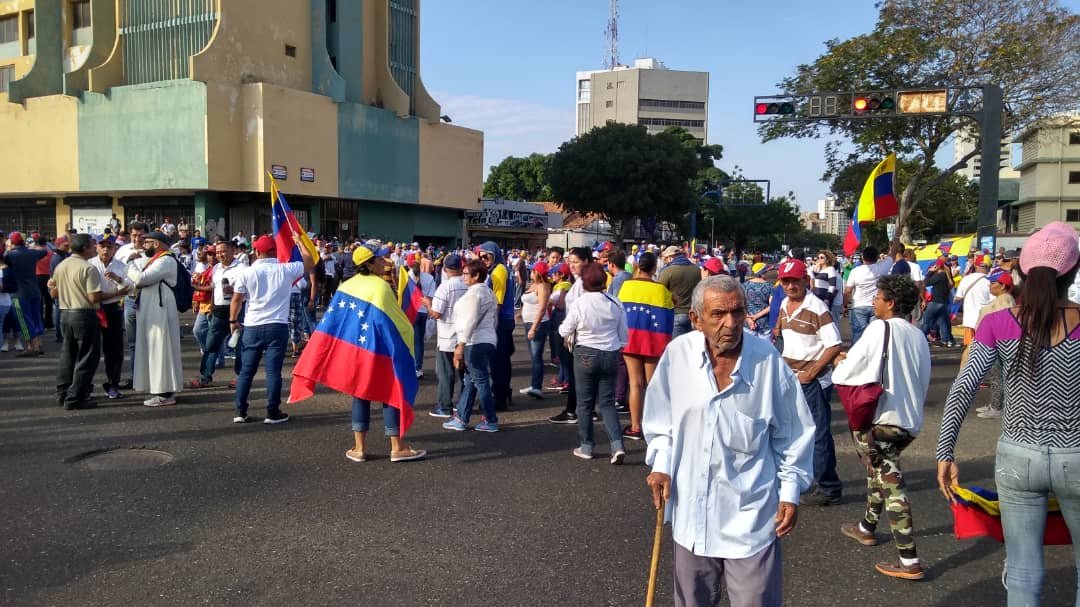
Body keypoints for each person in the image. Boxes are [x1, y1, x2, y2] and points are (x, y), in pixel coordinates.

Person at [644, 275, 816, 607]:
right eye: (718, 314)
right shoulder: (677, 355)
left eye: (738, 312)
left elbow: (794, 435)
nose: (731, 323)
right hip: (690, 519)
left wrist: (790, 492)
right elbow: (661, 421)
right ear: (695, 319)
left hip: (751, 521)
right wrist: (661, 466)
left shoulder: (767, 361)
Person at [937, 222, 1080, 606]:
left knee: (1021, 568)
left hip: (1018, 456)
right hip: (1077, 454)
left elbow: (964, 387)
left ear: (1022, 272)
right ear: (1073, 272)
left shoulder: (998, 322)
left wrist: (945, 451)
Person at [833, 275, 930, 580]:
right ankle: (866, 527)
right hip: (909, 422)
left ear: (890, 303)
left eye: (877, 297)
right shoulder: (918, 335)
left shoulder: (880, 328)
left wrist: (840, 362)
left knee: (891, 481)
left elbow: (851, 370)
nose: (873, 301)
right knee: (880, 469)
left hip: (882, 418)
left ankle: (909, 560)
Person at [343, 241, 427, 463]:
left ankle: (359, 448)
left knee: (360, 395)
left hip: (358, 351)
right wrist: (409, 342)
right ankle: (397, 448)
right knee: (390, 394)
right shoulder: (381, 287)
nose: (385, 262)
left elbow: (339, 322)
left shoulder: (346, 286)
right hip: (382, 353)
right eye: (380, 259)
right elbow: (397, 323)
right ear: (369, 265)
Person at [776, 259, 844, 506]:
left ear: (806, 280)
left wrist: (812, 372)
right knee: (793, 432)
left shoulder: (817, 308)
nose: (791, 285)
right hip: (791, 378)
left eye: (795, 280)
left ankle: (828, 486)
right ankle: (807, 480)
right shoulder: (785, 303)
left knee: (818, 434)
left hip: (812, 382)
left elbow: (834, 344)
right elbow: (782, 333)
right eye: (786, 281)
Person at [229, 234, 314, 424]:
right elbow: (309, 261)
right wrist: (299, 241)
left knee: (246, 372)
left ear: (257, 251)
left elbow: (237, 299)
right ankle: (272, 411)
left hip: (252, 325)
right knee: (273, 372)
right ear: (276, 251)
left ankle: (240, 411)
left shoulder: (247, 272)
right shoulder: (286, 269)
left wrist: (233, 320)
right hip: (277, 325)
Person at [560, 262, 628, 463]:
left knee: (585, 403)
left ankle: (587, 446)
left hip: (585, 353)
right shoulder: (615, 302)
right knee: (607, 403)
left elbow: (564, 329)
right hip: (610, 353)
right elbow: (624, 336)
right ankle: (617, 445)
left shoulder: (580, 303)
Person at [615, 251, 672, 443]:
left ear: (638, 266)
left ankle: (635, 426)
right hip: (653, 341)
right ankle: (657, 426)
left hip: (630, 339)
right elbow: (667, 316)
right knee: (653, 385)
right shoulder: (661, 290)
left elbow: (621, 312)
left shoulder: (626, 286)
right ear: (655, 268)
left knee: (635, 384)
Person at [48, 234, 107, 411]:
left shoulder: (61, 265)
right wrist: (119, 292)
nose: (94, 248)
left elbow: (54, 293)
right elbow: (93, 297)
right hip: (84, 314)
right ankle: (76, 395)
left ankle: (63, 391)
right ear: (85, 248)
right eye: (92, 246)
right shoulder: (88, 268)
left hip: (65, 313)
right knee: (88, 357)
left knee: (68, 355)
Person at [126, 231, 184, 406]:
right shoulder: (158, 260)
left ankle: (164, 393)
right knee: (155, 347)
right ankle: (161, 389)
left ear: (157, 244)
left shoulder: (166, 260)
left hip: (160, 309)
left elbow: (141, 279)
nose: (144, 246)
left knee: (161, 347)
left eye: (147, 242)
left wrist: (130, 264)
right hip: (153, 308)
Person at [443, 259, 499, 433]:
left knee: (479, 381)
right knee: (471, 381)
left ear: (476, 276)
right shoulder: (488, 292)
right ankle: (461, 416)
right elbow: (493, 319)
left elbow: (470, 321)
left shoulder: (474, 294)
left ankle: (490, 419)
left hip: (475, 342)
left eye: (467, 274)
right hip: (486, 340)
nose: (463, 277)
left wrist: (460, 346)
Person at [188, 239, 243, 389]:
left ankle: (241, 377)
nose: (220, 255)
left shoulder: (242, 268)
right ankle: (205, 376)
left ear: (233, 250)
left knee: (240, 346)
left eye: (223, 251)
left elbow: (248, 291)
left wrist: (234, 291)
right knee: (211, 345)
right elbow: (214, 287)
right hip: (218, 310)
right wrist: (209, 304)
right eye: (218, 252)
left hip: (237, 310)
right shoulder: (217, 268)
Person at [549, 247, 592, 424]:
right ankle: (578, 408)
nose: (572, 265)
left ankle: (572, 410)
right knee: (575, 374)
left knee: (576, 375)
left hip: (576, 335)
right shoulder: (578, 282)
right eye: (570, 262)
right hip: (573, 333)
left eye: (576, 262)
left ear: (586, 262)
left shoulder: (584, 284)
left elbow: (581, 312)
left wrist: (568, 333)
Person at [89, 236, 133, 400]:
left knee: (114, 350)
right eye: (102, 246)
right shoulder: (90, 264)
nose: (106, 249)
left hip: (113, 308)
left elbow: (129, 288)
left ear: (115, 248)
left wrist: (117, 278)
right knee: (90, 348)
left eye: (109, 246)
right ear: (97, 247)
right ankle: (86, 385)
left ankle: (112, 384)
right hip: (93, 308)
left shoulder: (121, 266)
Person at [428, 253, 468, 418]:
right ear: (461, 267)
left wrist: (428, 305)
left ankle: (444, 406)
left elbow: (436, 313)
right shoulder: (468, 283)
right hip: (464, 336)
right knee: (464, 373)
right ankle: (463, 403)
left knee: (446, 373)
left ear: (445, 269)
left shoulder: (445, 286)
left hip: (447, 337)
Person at [973, 269, 1016, 420]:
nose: (989, 286)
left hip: (995, 344)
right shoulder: (1004, 299)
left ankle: (997, 407)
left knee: (997, 376)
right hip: (994, 343)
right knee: (996, 376)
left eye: (993, 283)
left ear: (1003, 285)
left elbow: (1002, 323)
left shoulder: (1005, 301)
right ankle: (995, 404)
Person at [477, 241, 516, 411]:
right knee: (503, 360)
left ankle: (499, 399)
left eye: (486, 256)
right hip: (506, 320)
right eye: (481, 256)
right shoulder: (499, 269)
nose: (483, 259)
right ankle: (504, 393)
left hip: (500, 321)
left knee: (498, 362)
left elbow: (497, 303)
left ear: (494, 254)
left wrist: (489, 325)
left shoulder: (498, 271)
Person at [2, 232, 49, 356]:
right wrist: (29, 247)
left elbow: (4, 261)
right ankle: (38, 344)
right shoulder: (32, 252)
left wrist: (8, 248)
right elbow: (44, 251)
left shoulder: (9, 254)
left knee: (23, 320)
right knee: (36, 317)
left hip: (19, 292)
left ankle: (30, 347)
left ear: (12, 242)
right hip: (34, 290)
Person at [116, 221, 149, 388]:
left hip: (148, 298)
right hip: (129, 298)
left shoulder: (153, 251)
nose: (138, 239)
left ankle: (152, 376)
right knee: (133, 341)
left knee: (151, 339)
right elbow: (114, 272)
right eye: (134, 236)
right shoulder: (123, 251)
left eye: (141, 235)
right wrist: (129, 259)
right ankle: (135, 376)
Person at [519, 260, 552, 399]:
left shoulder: (543, 286)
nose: (530, 272)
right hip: (528, 322)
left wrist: (534, 327)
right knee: (533, 356)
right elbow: (527, 302)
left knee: (536, 355)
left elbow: (542, 308)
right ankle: (534, 384)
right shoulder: (534, 285)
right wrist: (520, 313)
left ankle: (537, 386)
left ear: (537, 272)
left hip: (537, 324)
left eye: (533, 270)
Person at [659, 245, 702, 339]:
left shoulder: (667, 271)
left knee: (677, 349)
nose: (665, 262)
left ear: (670, 257)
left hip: (676, 314)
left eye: (665, 259)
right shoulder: (697, 270)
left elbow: (659, 294)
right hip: (693, 315)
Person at [954, 255, 992, 350]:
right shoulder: (992, 282)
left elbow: (958, 297)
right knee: (984, 350)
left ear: (975, 266)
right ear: (989, 267)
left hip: (969, 321)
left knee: (969, 350)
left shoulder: (966, 279)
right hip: (985, 322)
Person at [407, 255, 436, 378]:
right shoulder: (429, 278)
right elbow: (430, 297)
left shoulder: (406, 277)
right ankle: (418, 369)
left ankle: (408, 366)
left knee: (409, 341)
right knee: (419, 342)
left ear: (408, 265)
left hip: (410, 312)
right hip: (423, 311)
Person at [743, 262, 774, 340]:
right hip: (764, 322)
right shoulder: (770, 286)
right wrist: (757, 316)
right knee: (765, 350)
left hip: (748, 323)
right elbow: (772, 306)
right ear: (762, 273)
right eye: (766, 272)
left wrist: (748, 318)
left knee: (749, 349)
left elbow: (740, 304)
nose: (767, 274)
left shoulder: (744, 285)